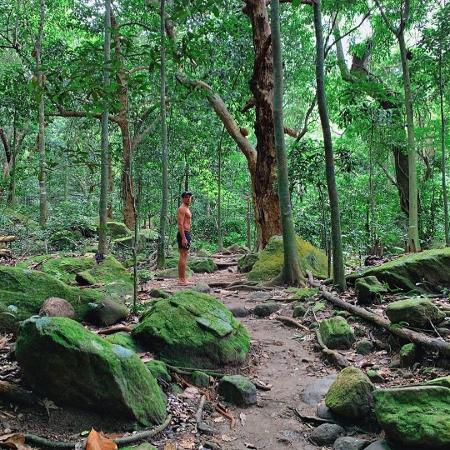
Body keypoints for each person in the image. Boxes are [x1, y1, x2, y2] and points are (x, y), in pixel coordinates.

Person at [177, 191, 193, 285]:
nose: (188, 199)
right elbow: (180, 224)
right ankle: (181, 280)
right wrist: (183, 238)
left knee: (185, 255)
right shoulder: (182, 209)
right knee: (183, 255)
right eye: (186, 197)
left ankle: (183, 278)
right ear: (183, 198)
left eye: (189, 197)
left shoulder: (187, 208)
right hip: (183, 233)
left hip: (187, 233)